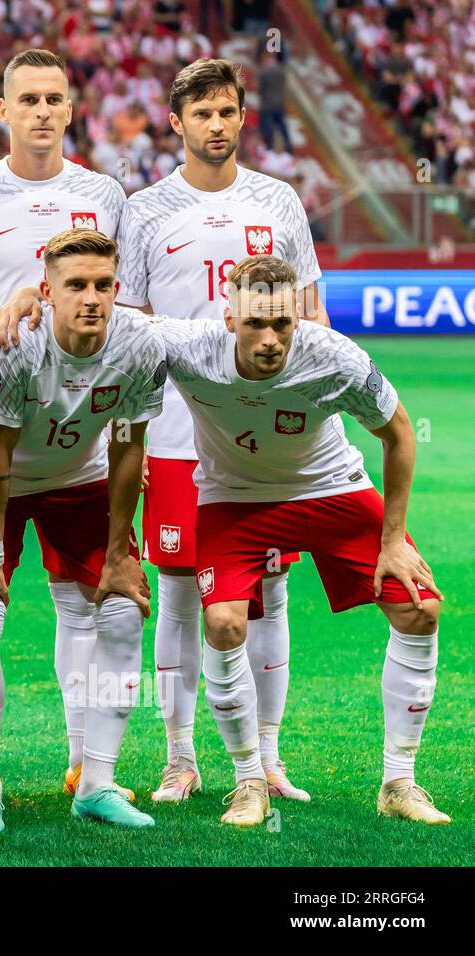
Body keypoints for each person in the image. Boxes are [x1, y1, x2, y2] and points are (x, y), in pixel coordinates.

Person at [0, 58, 327, 805]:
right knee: (176, 595)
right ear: (176, 123)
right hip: (177, 433)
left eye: (229, 111)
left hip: (258, 442)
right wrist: (26, 296)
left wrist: (302, 420)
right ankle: (180, 758)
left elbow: (311, 319)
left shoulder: (279, 202)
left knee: (267, 595)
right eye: (202, 114)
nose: (217, 125)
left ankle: (268, 757)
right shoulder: (143, 209)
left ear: (244, 117)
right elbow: (120, 314)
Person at [156, 255, 447, 826]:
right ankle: (247, 783)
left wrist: (392, 542)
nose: (269, 339)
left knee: (421, 608)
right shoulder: (185, 346)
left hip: (330, 486)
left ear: (298, 318)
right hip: (235, 497)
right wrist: (25, 299)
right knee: (222, 623)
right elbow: (101, 320)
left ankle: (399, 780)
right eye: (256, 323)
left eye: (282, 324)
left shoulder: (335, 358)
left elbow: (400, 432)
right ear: (229, 316)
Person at [0, 47, 127, 816]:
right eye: (28, 99)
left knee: (98, 609)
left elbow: (123, 304)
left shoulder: (105, 193)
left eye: (55, 98)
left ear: (71, 110)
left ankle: (92, 773)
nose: (42, 111)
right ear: (3, 111)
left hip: (80, 445)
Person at [0, 228, 164, 831]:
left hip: (81, 481)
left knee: (123, 610)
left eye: (103, 285)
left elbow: (130, 445)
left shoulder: (140, 343)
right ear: (46, 291)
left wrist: (118, 551)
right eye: (76, 285)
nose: (92, 298)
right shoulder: (18, 345)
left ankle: (96, 782)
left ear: (118, 289)